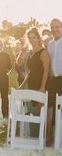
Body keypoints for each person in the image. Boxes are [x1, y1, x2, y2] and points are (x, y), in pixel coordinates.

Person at [47, 18, 62, 146]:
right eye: (52, 27)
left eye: (57, 26)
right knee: (50, 107)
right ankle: (50, 138)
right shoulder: (49, 44)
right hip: (52, 81)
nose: (54, 29)